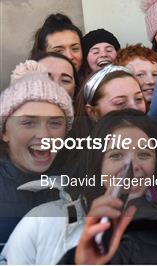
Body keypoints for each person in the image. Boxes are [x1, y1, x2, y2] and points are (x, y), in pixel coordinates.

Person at [1, 110, 157, 265]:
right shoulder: (41, 220)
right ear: (97, 163)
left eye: (144, 155)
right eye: (116, 155)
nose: (133, 166)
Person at [0, 60, 73, 251]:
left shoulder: (75, 183)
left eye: (55, 123)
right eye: (28, 123)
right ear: (4, 133)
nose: (44, 135)